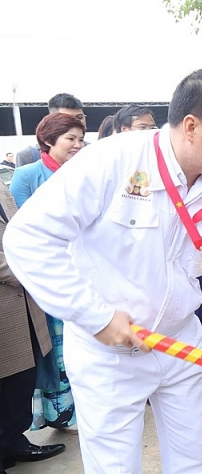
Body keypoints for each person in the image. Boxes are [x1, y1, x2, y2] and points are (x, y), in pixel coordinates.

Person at [3, 67, 202, 473]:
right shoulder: (112, 161)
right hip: (109, 351)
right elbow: (27, 239)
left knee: (194, 460)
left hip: (181, 344)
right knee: (116, 466)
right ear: (192, 126)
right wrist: (95, 316)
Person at [9, 112, 85, 435]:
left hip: (83, 270)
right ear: (48, 140)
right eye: (70, 139)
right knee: (54, 349)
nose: (77, 145)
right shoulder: (26, 176)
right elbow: (22, 228)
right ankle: (60, 412)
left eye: (81, 139)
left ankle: (83, 406)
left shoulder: (86, 172)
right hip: (49, 273)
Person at [0, 180, 66, 473]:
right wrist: (31, 269)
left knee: (22, 381)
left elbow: (19, 235)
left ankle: (13, 443)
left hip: (23, 305)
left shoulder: (2, 186)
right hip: (10, 293)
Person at [15, 94, 86, 168]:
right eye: (67, 118)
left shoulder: (93, 151)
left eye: (79, 117)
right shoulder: (29, 156)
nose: (76, 122)